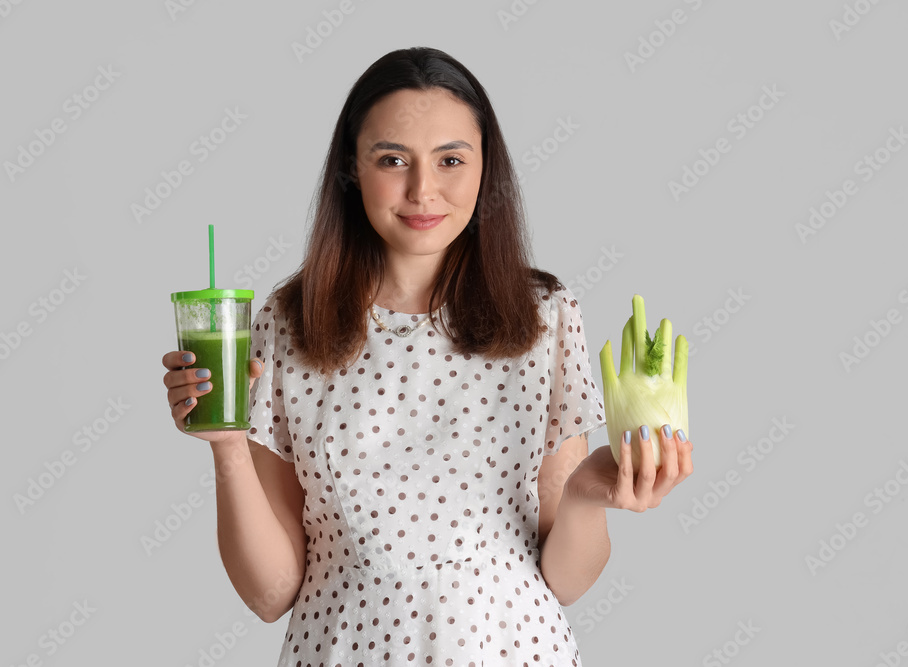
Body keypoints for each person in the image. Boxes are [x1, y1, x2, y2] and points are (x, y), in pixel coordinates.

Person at [162, 46, 693, 666]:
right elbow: (271, 593)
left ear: (484, 170)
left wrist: (584, 495)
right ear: (352, 170)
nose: (423, 190)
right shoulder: (287, 322)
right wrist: (227, 444)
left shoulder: (544, 313)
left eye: (450, 160)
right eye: (393, 160)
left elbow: (566, 582)